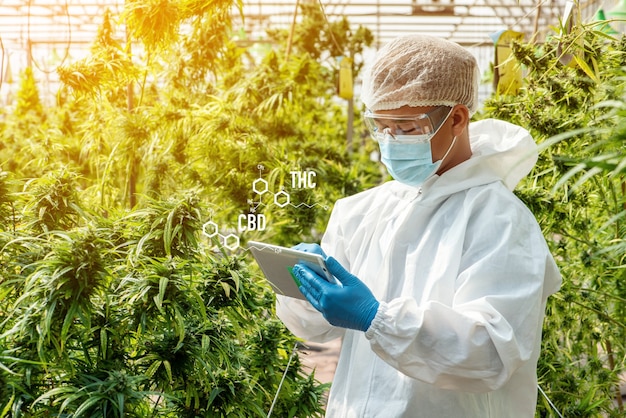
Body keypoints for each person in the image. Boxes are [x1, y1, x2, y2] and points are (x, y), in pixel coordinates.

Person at [275, 35, 562, 417]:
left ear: (457, 118)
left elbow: (492, 351)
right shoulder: (361, 212)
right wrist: (304, 288)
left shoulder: (500, 220)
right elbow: (315, 330)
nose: (391, 140)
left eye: (407, 127)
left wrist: (376, 318)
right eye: (381, 126)